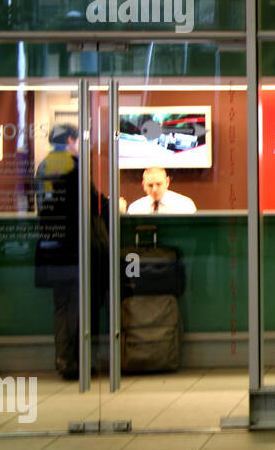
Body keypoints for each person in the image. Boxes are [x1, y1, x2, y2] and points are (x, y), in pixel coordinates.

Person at [33, 124, 110, 379]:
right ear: (69, 140)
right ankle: (78, 362)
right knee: (79, 304)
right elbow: (90, 203)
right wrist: (111, 203)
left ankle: (63, 359)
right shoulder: (74, 166)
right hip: (76, 247)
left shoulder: (44, 166)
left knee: (62, 305)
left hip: (53, 244)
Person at [124, 167, 197, 214]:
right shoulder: (135, 208)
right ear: (143, 185)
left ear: (167, 182)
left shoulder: (185, 205)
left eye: (158, 184)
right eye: (150, 185)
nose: (154, 189)